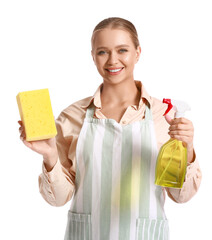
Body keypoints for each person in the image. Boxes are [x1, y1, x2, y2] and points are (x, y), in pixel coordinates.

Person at [19, 17, 202, 240]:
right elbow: (57, 199)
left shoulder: (165, 116)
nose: (112, 60)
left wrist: (188, 147)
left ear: (137, 52)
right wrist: (49, 155)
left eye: (122, 50)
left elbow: (180, 196)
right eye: (102, 52)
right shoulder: (71, 117)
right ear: (93, 56)